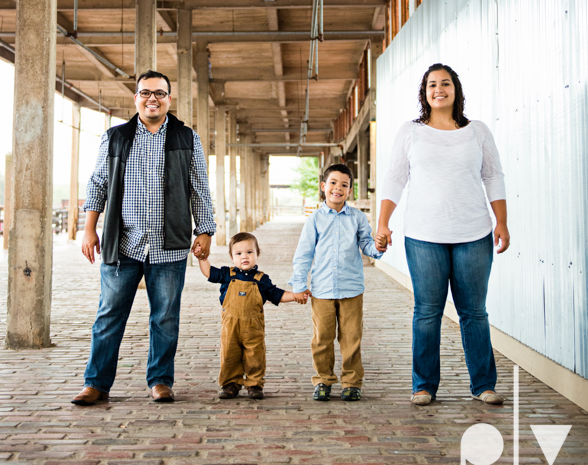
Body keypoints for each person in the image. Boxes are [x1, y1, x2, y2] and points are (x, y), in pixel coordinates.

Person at [71, 70, 215, 406]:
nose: (153, 98)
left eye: (160, 93)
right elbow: (98, 184)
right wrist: (89, 228)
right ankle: (96, 384)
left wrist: (205, 230)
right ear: (136, 98)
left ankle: (160, 380)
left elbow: (199, 189)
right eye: (146, 92)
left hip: (170, 245)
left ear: (169, 99)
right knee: (109, 315)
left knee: (165, 317)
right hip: (123, 245)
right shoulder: (115, 137)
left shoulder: (187, 138)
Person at [375, 63, 510, 407]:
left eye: (445, 83)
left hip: (474, 234)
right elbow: (394, 178)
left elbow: (493, 176)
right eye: (432, 84)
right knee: (427, 311)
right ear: (425, 92)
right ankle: (423, 386)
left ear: (455, 90)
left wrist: (502, 222)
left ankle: (483, 385)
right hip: (424, 236)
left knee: (474, 313)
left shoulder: (477, 131)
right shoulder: (411, 132)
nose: (439, 89)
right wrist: (383, 222)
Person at [290, 163, 383, 402]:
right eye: (333, 183)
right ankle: (323, 380)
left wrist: (379, 247)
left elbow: (367, 246)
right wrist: (299, 285)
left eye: (344, 185)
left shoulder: (358, 218)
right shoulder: (315, 220)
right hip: (322, 289)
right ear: (323, 186)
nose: (337, 188)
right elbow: (303, 254)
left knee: (351, 337)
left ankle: (351, 383)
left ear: (350, 190)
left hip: (351, 289)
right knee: (322, 338)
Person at [199, 232, 309, 400]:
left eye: (250, 252)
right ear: (231, 256)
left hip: (253, 326)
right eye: (239, 253)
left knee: (255, 355)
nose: (245, 257)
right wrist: (202, 258)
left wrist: (295, 295)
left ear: (257, 254)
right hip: (231, 326)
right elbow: (208, 272)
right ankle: (230, 384)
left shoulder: (261, 279)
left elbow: (277, 294)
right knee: (229, 354)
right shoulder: (226, 274)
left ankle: (254, 384)